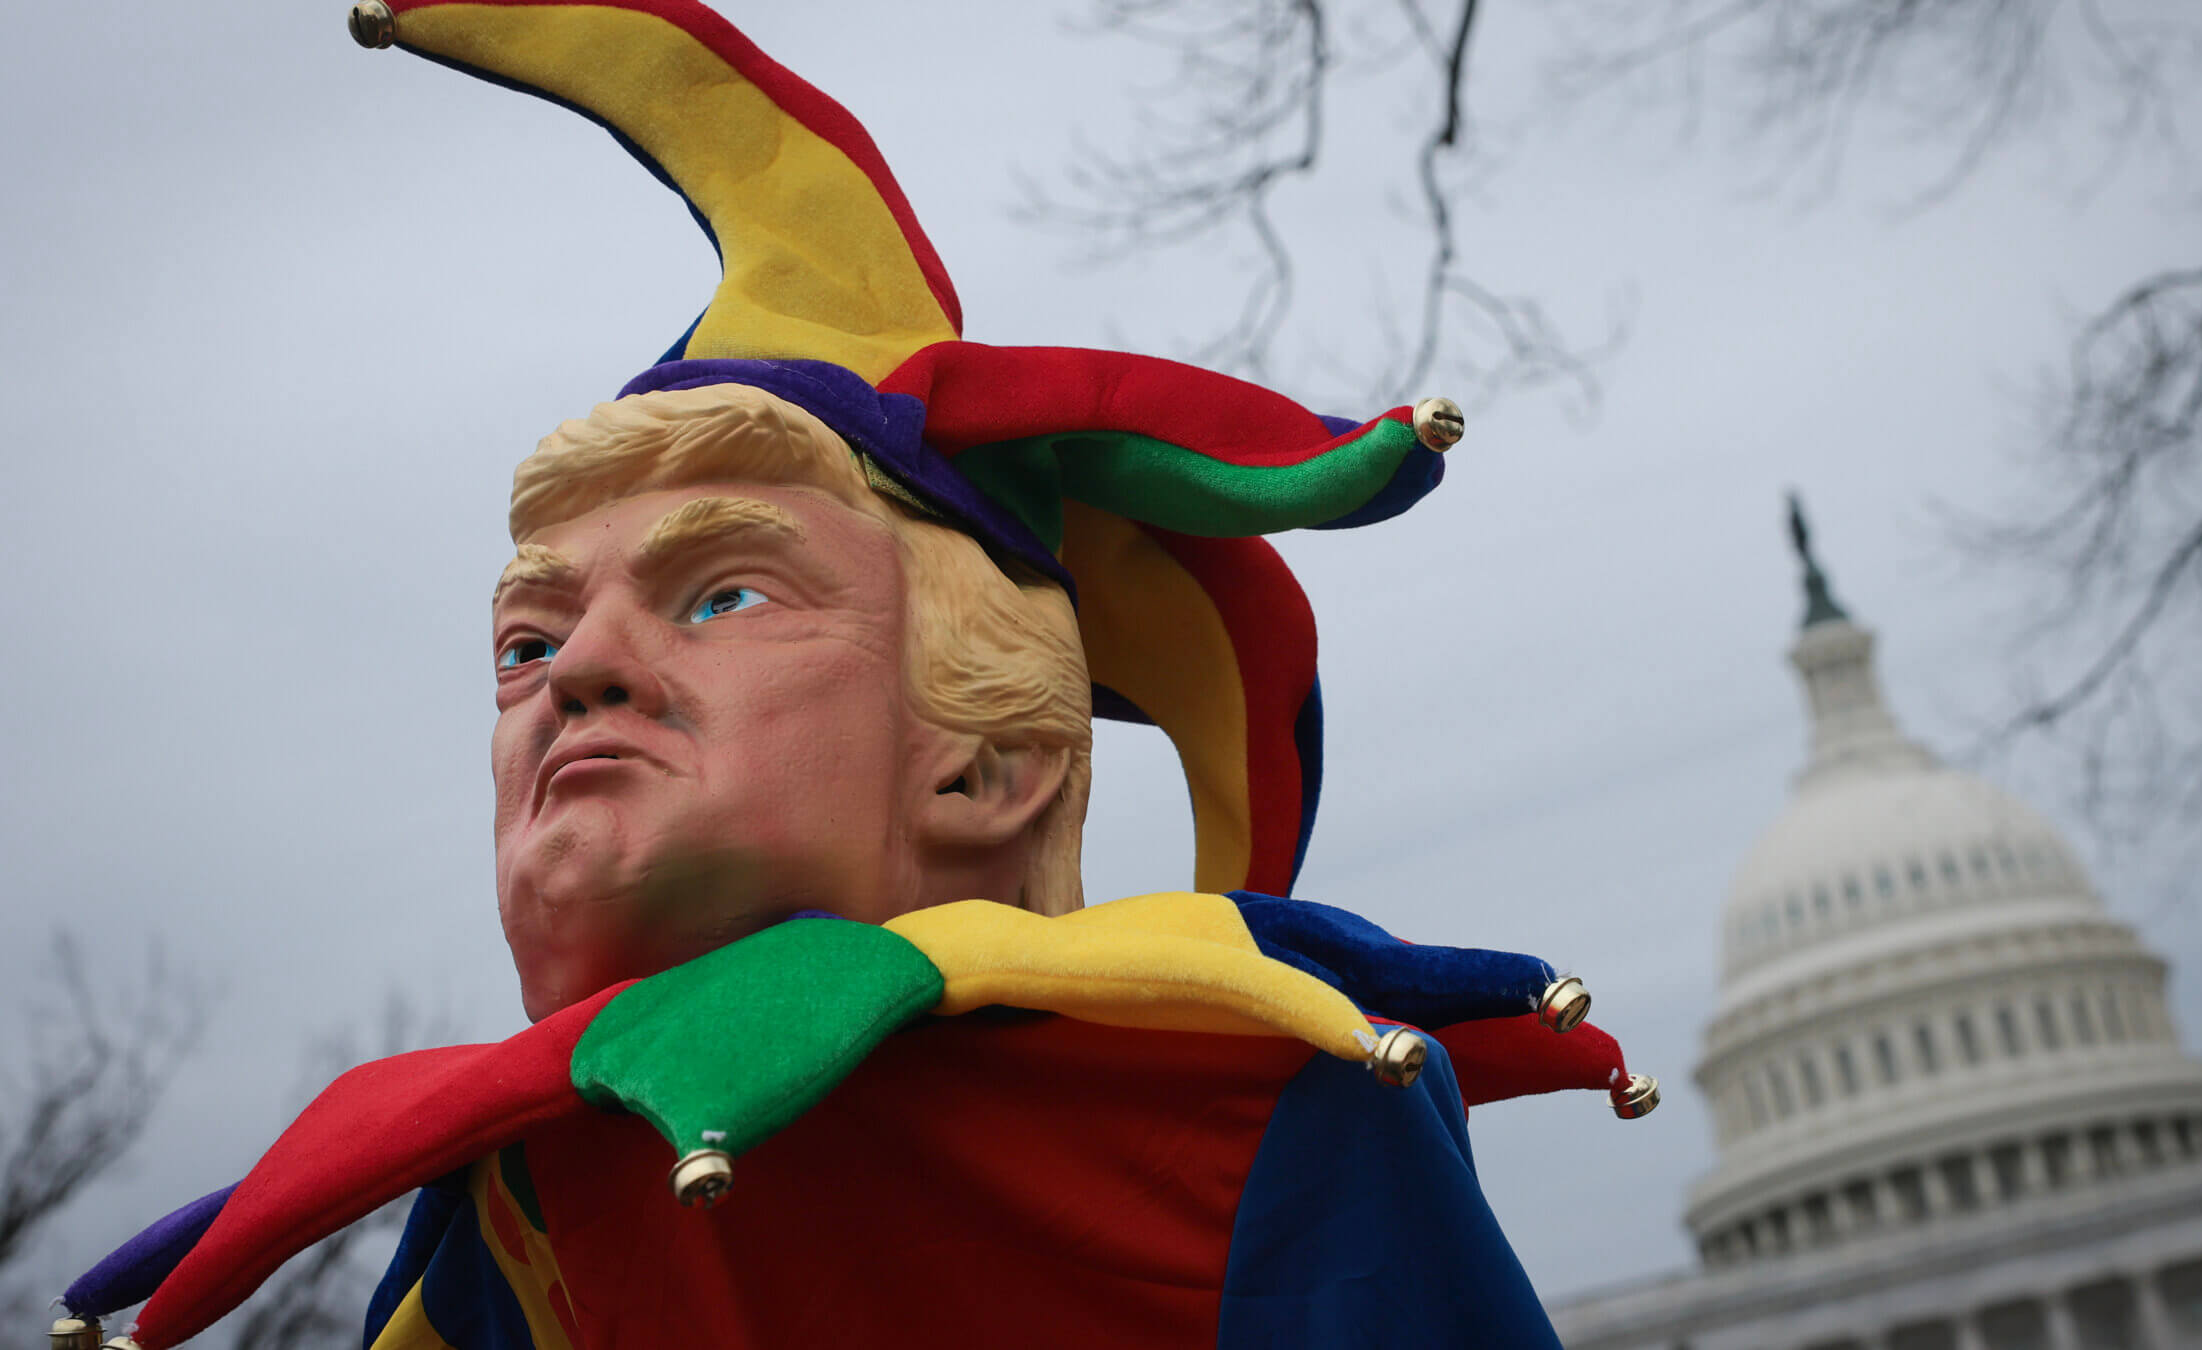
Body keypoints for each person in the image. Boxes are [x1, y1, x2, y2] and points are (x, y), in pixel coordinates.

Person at [51, 3, 1655, 1346]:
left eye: (722, 594)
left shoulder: (1262, 1113)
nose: (575, 669)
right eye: (525, 641)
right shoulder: (507, 1209)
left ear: (987, 764)